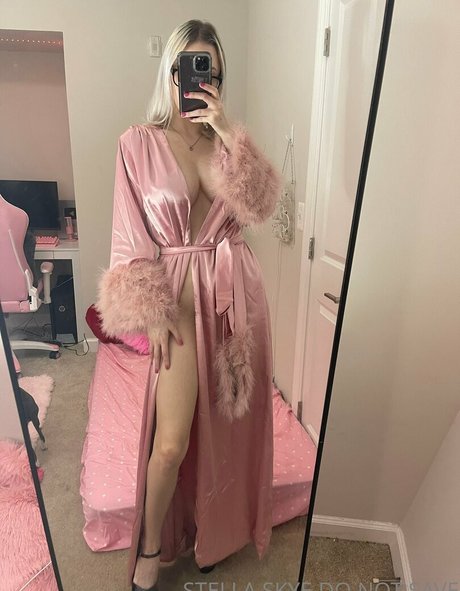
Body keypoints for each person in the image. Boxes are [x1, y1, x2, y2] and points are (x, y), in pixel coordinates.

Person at [95, 19, 283, 591]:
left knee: (228, 434)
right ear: (171, 72)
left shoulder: (227, 146)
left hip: (234, 299)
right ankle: (152, 545)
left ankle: (216, 533)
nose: (202, 80)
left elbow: (261, 207)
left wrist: (228, 132)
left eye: (213, 73)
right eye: (191, 68)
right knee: (172, 442)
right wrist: (152, 312)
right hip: (176, 298)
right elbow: (129, 236)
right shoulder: (138, 143)